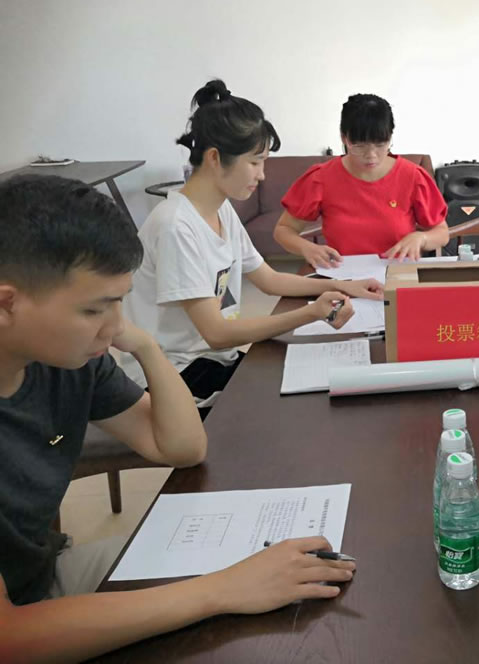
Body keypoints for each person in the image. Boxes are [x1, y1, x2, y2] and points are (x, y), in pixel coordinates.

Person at [0, 175, 356, 662]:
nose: (114, 325)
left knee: (287, 586)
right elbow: (8, 638)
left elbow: (183, 447)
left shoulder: (68, 359)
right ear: (7, 303)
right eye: (94, 309)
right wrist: (221, 590)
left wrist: (145, 345)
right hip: (23, 616)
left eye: (120, 302)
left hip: (45, 574)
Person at [122, 80, 382, 407]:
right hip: (171, 374)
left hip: (212, 357)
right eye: (255, 162)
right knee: (290, 403)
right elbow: (217, 332)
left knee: (307, 388)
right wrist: (312, 313)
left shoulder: (220, 210)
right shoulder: (176, 226)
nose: (262, 175)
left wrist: (346, 285)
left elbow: (269, 280)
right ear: (215, 158)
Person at [273, 93, 449, 267]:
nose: (371, 155)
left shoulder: (413, 177)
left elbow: (441, 233)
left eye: (380, 145)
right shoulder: (321, 179)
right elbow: (283, 230)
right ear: (344, 138)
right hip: (343, 277)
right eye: (359, 146)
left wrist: (421, 238)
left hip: (397, 275)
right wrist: (306, 248)